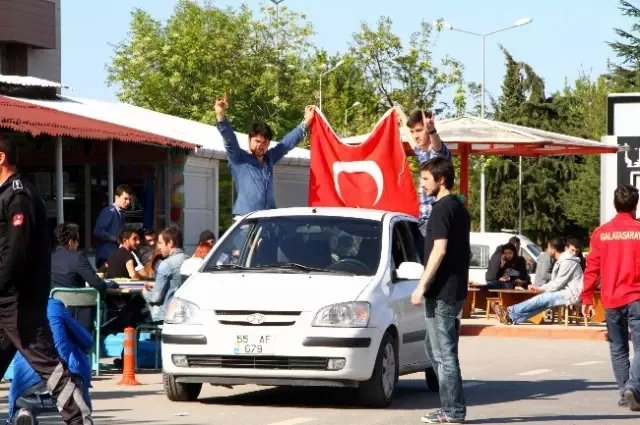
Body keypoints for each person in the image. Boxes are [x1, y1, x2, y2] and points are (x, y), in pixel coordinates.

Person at [0, 137, 93, 425]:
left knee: (48, 364)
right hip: (6, 297)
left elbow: (16, 250)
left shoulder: (19, 196)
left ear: (0, 157)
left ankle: (78, 418)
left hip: (19, 298)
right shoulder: (7, 194)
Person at [410, 157, 469, 424]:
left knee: (444, 354)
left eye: (425, 179)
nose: (421, 185)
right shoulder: (457, 206)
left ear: (441, 179)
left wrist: (422, 284)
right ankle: (450, 407)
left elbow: (440, 249)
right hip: (449, 290)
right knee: (435, 350)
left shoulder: (444, 209)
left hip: (443, 291)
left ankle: (453, 411)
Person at [581, 184, 640, 411]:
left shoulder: (601, 233)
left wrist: (586, 298)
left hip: (611, 300)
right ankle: (633, 388)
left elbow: (591, 269)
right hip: (636, 298)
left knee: (618, 348)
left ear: (615, 205)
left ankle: (625, 393)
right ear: (635, 206)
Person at [215, 93, 315, 221]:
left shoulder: (269, 158)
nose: (260, 146)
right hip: (246, 220)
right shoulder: (239, 158)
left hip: (268, 219)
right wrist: (220, 115)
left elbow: (287, 144)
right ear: (249, 140)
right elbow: (230, 139)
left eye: (264, 143)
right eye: (257, 141)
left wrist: (306, 122)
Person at [8, 298, 93, 425]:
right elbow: (88, 341)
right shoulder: (54, 305)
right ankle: (83, 416)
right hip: (66, 383)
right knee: (74, 347)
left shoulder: (12, 309)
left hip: (26, 390)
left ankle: (22, 412)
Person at [493, 237, 583, 325]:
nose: (547, 250)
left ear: (552, 249)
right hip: (566, 292)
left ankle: (509, 311)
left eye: (548, 248)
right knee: (542, 304)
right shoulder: (562, 261)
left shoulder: (567, 262)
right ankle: (512, 318)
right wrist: (538, 288)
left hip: (571, 293)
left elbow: (557, 284)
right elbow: (555, 281)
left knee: (542, 298)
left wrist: (539, 289)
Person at [50, 222, 119, 332]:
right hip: (77, 316)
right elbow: (96, 283)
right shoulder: (78, 257)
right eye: (77, 241)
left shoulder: (49, 258)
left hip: (54, 313)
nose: (78, 245)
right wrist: (108, 284)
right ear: (71, 242)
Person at [404, 109, 450, 232]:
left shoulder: (436, 155)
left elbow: (437, 146)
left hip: (433, 219)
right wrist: (399, 113)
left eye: (419, 130)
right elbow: (409, 136)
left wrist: (432, 131)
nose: (415, 135)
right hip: (421, 219)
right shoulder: (421, 153)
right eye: (413, 132)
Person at [142, 227, 189, 322]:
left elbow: (156, 297)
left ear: (170, 243)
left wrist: (145, 293)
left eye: (160, 243)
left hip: (164, 316)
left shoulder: (166, 264)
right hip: (185, 314)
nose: (158, 247)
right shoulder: (188, 260)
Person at [93, 184, 132, 269]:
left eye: (129, 199)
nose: (128, 202)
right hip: (106, 256)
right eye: (125, 199)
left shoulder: (120, 213)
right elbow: (98, 231)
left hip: (114, 256)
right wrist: (114, 239)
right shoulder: (109, 211)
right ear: (116, 198)